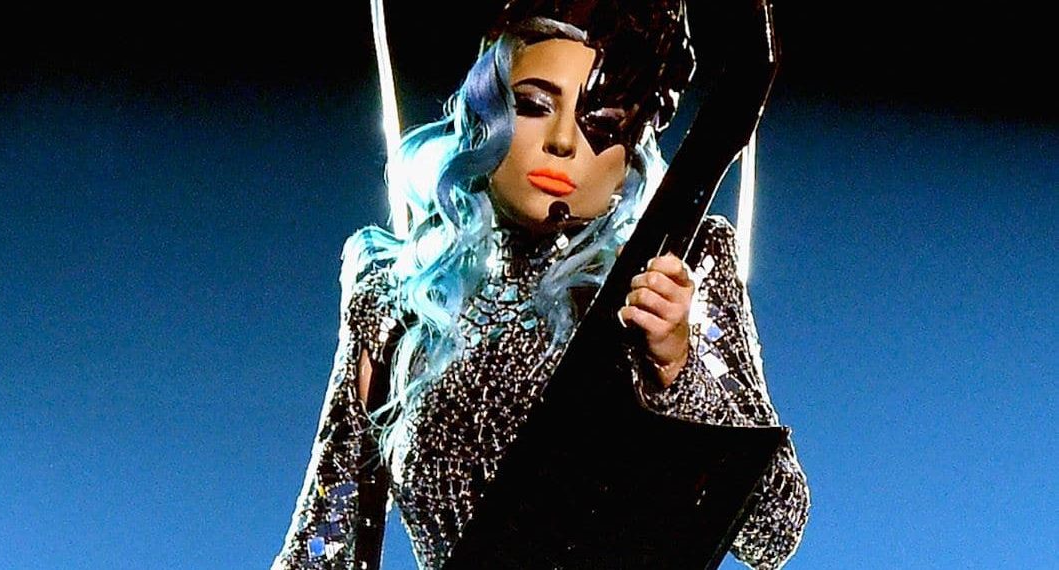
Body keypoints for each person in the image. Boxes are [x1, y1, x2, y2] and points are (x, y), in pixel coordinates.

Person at [273, 1, 809, 568]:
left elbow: (774, 530)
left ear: (632, 148)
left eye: (601, 119)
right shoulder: (395, 294)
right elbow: (325, 539)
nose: (562, 140)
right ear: (484, 108)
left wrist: (679, 372)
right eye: (533, 105)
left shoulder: (681, 264)